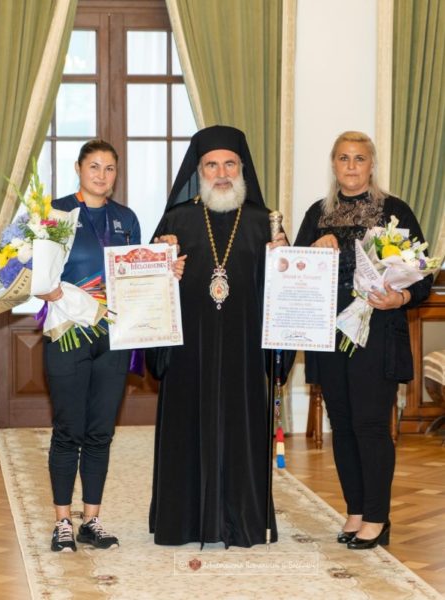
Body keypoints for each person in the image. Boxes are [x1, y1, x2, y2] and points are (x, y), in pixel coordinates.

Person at [148, 125, 292, 548]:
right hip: (188, 350)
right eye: (212, 165)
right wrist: (161, 261)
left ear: (242, 168)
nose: (222, 173)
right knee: (186, 429)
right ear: (199, 172)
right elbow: (147, 289)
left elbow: (286, 294)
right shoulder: (177, 221)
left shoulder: (265, 223)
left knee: (241, 429)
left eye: (230, 164)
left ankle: (241, 521)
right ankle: (183, 522)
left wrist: (284, 260)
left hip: (243, 350)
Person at [38, 139, 184, 552]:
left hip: (114, 337)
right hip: (68, 332)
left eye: (109, 168)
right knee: (69, 430)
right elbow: (38, 272)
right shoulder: (56, 214)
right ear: (78, 169)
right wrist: (45, 289)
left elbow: (138, 274)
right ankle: (62, 521)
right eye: (94, 167)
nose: (102, 175)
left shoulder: (126, 218)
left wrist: (167, 269)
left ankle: (92, 519)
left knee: (101, 431)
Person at [294, 131, 433, 549]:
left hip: (378, 331)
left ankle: (377, 517)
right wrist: (313, 250)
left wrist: (400, 298)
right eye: (343, 158)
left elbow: (422, 278)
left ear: (371, 165)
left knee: (370, 424)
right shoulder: (317, 214)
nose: (351, 166)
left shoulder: (395, 211)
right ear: (333, 165)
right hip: (329, 333)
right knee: (342, 425)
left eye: (359, 158)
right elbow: (294, 272)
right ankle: (355, 511)